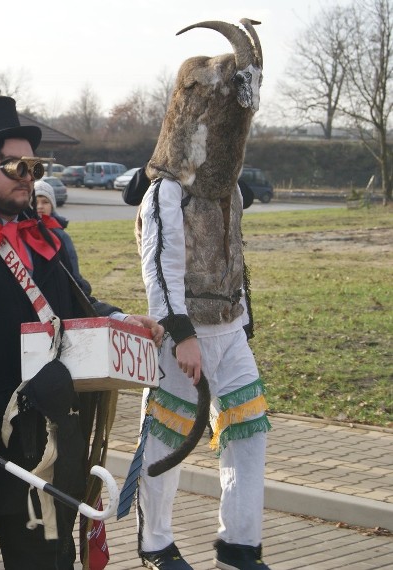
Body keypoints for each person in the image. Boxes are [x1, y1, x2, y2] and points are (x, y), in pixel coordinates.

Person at [0, 96, 163, 569]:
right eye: (16, 165)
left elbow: (75, 304)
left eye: (34, 166)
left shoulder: (43, 237)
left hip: (40, 444)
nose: (28, 176)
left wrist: (118, 320)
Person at [134, 19, 270, 570]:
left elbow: (233, 255)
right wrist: (181, 334)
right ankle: (156, 545)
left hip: (230, 331)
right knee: (167, 440)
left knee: (247, 434)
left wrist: (241, 321)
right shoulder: (165, 191)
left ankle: (240, 545)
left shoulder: (229, 190)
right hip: (180, 340)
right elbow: (159, 269)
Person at [33, 179, 92, 296]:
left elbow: (72, 268)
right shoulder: (25, 232)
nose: (39, 206)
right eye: (35, 202)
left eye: (45, 202)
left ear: (52, 205)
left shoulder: (61, 236)